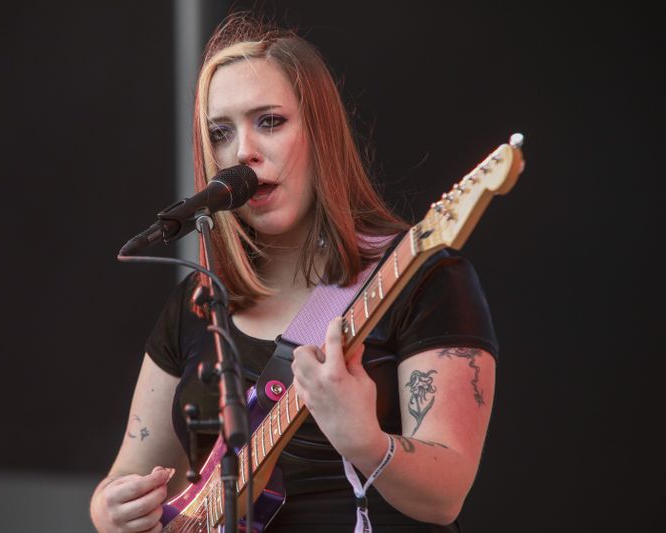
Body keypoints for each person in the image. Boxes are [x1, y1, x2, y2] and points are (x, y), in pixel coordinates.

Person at [90, 13, 498, 533]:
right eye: (220, 132)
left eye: (270, 121)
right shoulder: (199, 300)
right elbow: (127, 475)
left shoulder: (422, 278)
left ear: (319, 132)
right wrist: (111, 511)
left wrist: (365, 443)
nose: (243, 152)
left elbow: (445, 498)